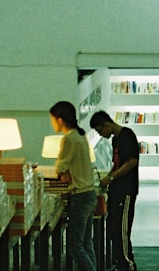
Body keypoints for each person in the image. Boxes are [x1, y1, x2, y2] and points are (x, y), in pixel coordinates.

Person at [49, 101, 97, 271]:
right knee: (86, 244)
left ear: (60, 120)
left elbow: (60, 167)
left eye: (53, 119)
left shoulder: (69, 138)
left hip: (80, 196)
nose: (52, 123)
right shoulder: (80, 136)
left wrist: (63, 172)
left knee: (76, 248)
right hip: (90, 193)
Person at [90, 110, 139, 271]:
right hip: (116, 190)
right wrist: (109, 178)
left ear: (106, 125)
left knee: (121, 230)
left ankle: (127, 265)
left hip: (126, 191)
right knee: (113, 229)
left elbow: (131, 161)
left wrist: (111, 178)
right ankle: (121, 263)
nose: (101, 135)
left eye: (100, 130)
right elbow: (117, 164)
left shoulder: (127, 136)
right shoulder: (116, 140)